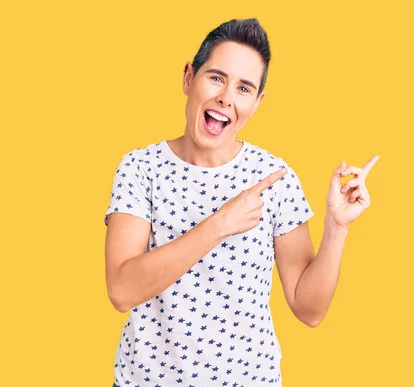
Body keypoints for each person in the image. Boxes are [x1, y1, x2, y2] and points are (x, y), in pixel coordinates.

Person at [103, 18, 379, 387]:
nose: (226, 97)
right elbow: (122, 291)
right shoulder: (140, 169)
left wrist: (337, 227)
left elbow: (309, 310)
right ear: (189, 77)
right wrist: (219, 224)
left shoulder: (275, 178)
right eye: (216, 77)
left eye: (244, 88)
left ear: (257, 102)